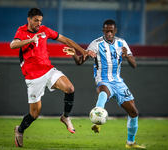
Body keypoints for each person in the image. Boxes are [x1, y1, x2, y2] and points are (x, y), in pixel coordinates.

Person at [10, 7, 94, 147]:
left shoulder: (44, 30)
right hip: (33, 76)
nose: (38, 23)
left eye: (40, 21)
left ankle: (65, 117)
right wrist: (31, 40)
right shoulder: (22, 31)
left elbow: (65, 40)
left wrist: (83, 51)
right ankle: (19, 130)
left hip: (48, 70)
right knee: (35, 114)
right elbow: (13, 45)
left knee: (70, 88)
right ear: (29, 19)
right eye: (36, 21)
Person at [63, 19, 145, 149]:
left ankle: (130, 142)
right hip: (103, 80)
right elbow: (80, 62)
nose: (109, 33)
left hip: (118, 82)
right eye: (107, 31)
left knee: (134, 113)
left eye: (111, 31)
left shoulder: (121, 43)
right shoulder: (96, 44)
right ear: (103, 31)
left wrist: (127, 56)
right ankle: (96, 121)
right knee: (103, 93)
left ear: (115, 31)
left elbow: (133, 64)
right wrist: (74, 55)